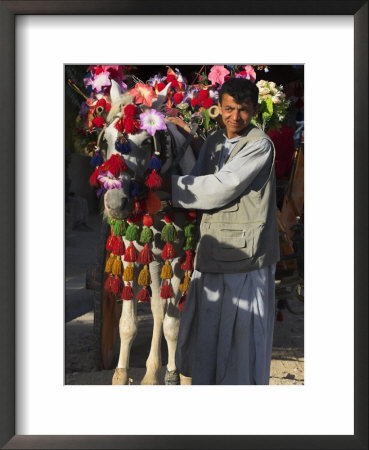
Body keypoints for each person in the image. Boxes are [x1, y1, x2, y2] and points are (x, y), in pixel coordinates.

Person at [169, 77, 280, 385]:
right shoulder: (214, 141)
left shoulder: (260, 145)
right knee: (209, 349)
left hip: (246, 260)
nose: (235, 117)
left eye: (243, 110)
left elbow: (222, 186)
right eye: (229, 108)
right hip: (212, 252)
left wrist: (168, 188)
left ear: (254, 110)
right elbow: (195, 180)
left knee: (240, 352)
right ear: (218, 108)